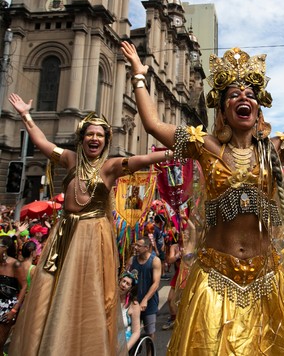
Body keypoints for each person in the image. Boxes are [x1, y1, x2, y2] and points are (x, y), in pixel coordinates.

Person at [122, 38, 284, 354]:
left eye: (249, 94)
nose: (242, 98)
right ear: (223, 109)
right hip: (215, 279)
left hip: (266, 281)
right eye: (233, 95)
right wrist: (139, 75)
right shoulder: (205, 146)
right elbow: (152, 124)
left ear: (258, 107)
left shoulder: (275, 149)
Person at [8, 93, 172, 356]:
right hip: (63, 235)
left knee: (85, 294)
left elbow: (141, 160)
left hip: (91, 238)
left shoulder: (109, 167)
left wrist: (172, 152)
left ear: (106, 141)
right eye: (90, 134)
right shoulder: (70, 160)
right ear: (82, 138)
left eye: (100, 135)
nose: (94, 138)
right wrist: (26, 115)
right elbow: (42, 143)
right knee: (50, 291)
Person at [128, 237, 161, 341]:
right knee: (131, 331)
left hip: (149, 304)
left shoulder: (155, 261)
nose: (136, 247)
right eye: (135, 245)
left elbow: (156, 283)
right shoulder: (132, 260)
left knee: (150, 333)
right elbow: (125, 277)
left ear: (146, 247)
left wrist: (145, 299)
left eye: (138, 246)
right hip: (133, 302)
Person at [0, 235, 26, 349]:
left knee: (0, 343)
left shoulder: (15, 264)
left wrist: (14, 310)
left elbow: (24, 286)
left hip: (7, 306)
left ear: (5, 248)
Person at [118, 270, 141, 351]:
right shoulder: (110, 298)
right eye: (123, 281)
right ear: (119, 281)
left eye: (128, 284)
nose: (124, 285)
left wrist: (125, 349)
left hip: (123, 339)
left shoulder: (134, 305)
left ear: (130, 288)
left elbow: (136, 332)